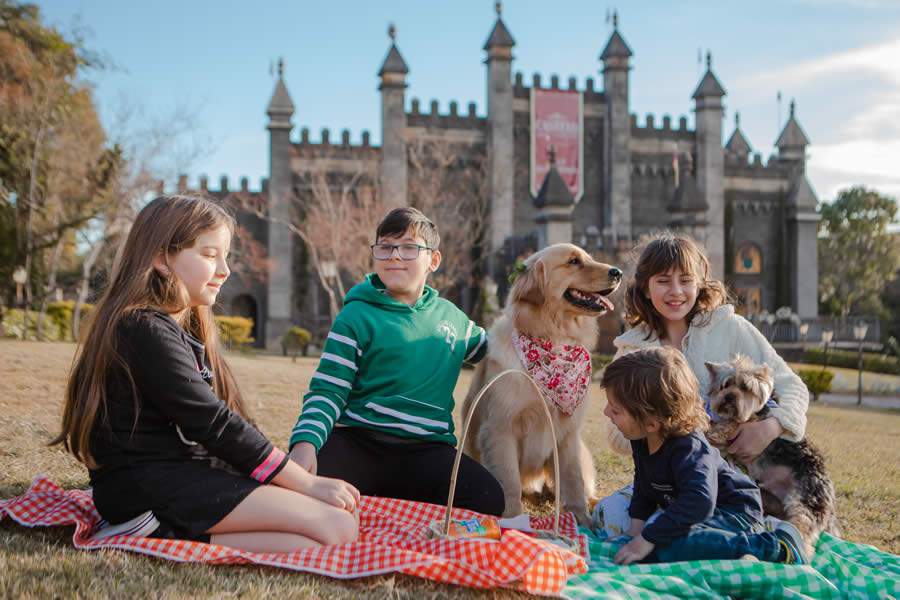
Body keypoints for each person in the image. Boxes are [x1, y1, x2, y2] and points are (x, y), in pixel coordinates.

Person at [53, 195, 360, 553]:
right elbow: (213, 422)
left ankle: (183, 536)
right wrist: (306, 485)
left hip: (186, 475)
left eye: (226, 256)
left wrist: (284, 478)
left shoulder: (179, 328)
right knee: (336, 526)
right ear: (161, 258)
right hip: (146, 488)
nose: (225, 270)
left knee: (338, 524)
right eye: (210, 255)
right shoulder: (141, 329)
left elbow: (230, 422)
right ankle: (159, 533)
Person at [289, 207, 505, 515]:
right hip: (361, 441)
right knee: (303, 485)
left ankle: (397, 504)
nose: (394, 256)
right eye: (386, 247)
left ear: (433, 260)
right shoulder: (356, 315)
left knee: (489, 498)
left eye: (408, 248)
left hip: (428, 448)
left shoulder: (453, 319)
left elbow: (497, 348)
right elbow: (328, 391)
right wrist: (305, 444)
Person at [606, 232, 809, 464]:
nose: (676, 291)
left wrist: (771, 427)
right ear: (645, 289)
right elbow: (616, 435)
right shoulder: (631, 349)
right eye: (663, 281)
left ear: (699, 283)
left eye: (686, 280)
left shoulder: (731, 328)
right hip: (674, 476)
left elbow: (793, 387)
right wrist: (671, 428)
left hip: (742, 475)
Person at [601, 347, 808, 565]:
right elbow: (644, 485)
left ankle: (778, 547)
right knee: (653, 544)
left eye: (615, 410)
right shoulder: (642, 439)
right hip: (695, 512)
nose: (606, 412)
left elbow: (700, 501)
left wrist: (648, 538)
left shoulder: (689, 448)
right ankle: (734, 551)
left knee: (669, 548)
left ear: (652, 423)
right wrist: (635, 533)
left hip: (735, 511)